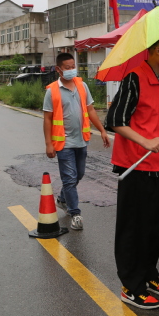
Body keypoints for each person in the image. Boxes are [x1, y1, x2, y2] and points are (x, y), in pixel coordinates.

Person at [106, 31, 159, 310]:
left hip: (158, 166)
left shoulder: (157, 80)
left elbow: (155, 119)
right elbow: (115, 119)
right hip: (136, 167)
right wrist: (145, 142)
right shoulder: (135, 77)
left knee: (155, 227)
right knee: (133, 229)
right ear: (157, 50)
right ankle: (131, 286)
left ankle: (149, 274)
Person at [43, 52, 110, 231]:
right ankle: (75, 214)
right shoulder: (52, 91)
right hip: (63, 143)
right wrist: (49, 144)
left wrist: (102, 130)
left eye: (73, 67)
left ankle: (62, 199)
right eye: (67, 68)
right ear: (58, 69)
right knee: (70, 178)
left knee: (78, 175)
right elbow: (47, 119)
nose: (72, 70)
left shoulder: (82, 86)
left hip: (81, 140)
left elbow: (91, 110)